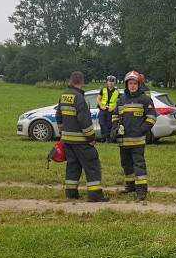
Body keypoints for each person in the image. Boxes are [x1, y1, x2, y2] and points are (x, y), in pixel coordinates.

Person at [55, 71, 109, 202]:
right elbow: (84, 120)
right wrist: (91, 138)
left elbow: (58, 116)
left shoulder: (64, 96)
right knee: (92, 165)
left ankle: (71, 192)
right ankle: (95, 195)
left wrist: (63, 133)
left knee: (73, 166)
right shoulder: (79, 98)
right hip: (81, 140)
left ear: (70, 81)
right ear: (83, 81)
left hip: (67, 140)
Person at [111, 70, 156, 201]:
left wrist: (141, 130)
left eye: (134, 83)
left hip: (137, 141)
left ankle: (141, 190)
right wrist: (115, 127)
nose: (132, 86)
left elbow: (152, 118)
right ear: (126, 85)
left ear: (139, 84)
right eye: (130, 83)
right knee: (126, 164)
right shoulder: (121, 100)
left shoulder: (145, 99)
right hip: (123, 141)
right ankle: (130, 186)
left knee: (139, 165)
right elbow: (115, 116)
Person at [96, 75, 119, 142]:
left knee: (109, 125)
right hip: (103, 109)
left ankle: (108, 139)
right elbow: (98, 99)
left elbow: (119, 102)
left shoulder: (116, 92)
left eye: (112, 81)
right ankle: (104, 137)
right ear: (107, 82)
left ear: (114, 82)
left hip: (111, 110)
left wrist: (113, 108)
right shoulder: (103, 90)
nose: (111, 83)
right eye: (109, 81)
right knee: (102, 123)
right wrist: (101, 106)